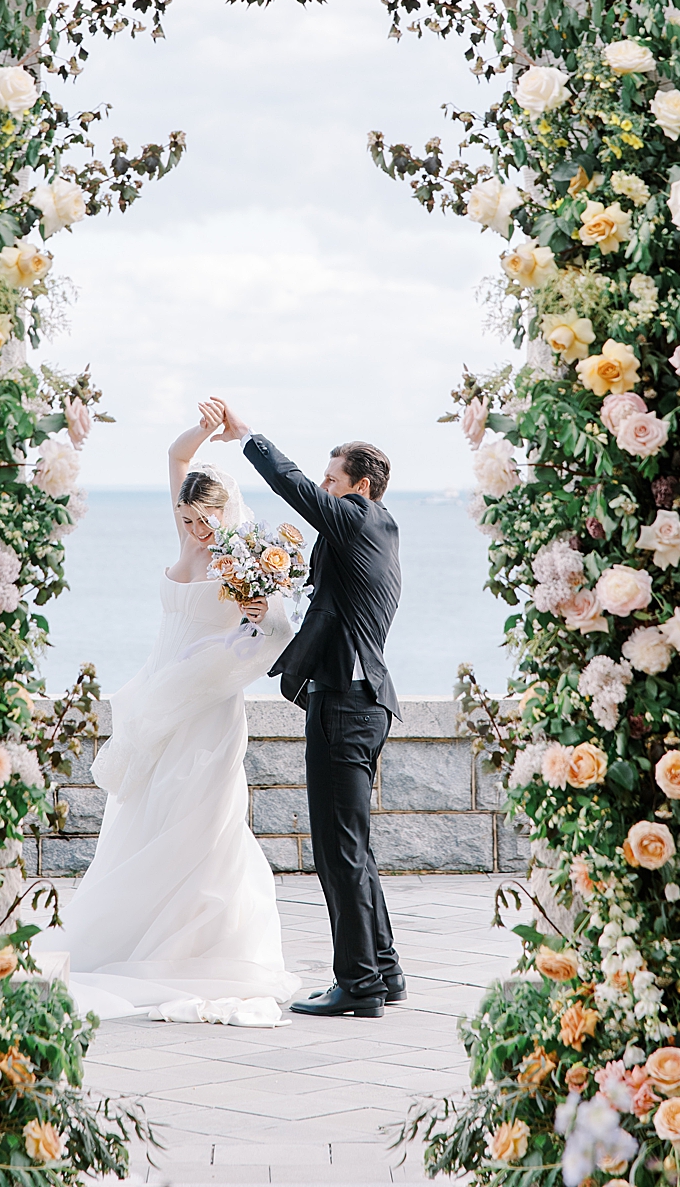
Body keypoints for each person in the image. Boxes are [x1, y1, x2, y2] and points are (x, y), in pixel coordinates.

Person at [35, 400, 302, 1027]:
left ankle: (199, 944)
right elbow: (177, 458)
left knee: (202, 820)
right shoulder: (185, 535)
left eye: (202, 517)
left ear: (223, 511)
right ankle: (135, 935)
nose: (192, 528)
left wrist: (262, 622)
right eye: (184, 516)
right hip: (156, 702)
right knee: (145, 815)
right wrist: (205, 431)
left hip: (206, 709)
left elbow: (278, 627)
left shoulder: (242, 557)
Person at [212, 397, 405, 1019]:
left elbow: (298, 491)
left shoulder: (357, 518)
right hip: (361, 702)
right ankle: (385, 971)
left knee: (337, 849)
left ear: (360, 487)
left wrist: (250, 438)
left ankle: (359, 985)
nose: (325, 489)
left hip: (347, 705)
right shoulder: (378, 531)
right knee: (356, 846)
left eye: (333, 479)